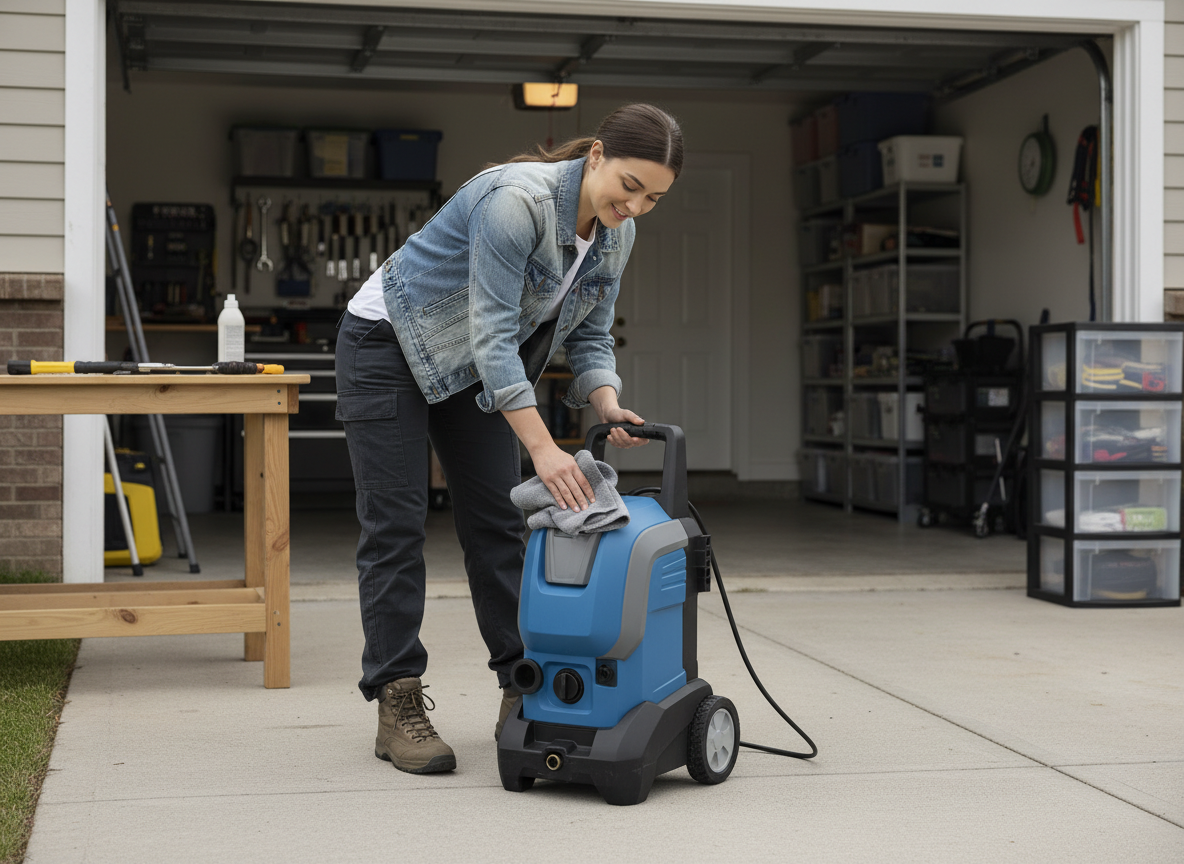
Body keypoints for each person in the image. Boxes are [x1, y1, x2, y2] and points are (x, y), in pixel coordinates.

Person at [335, 103, 683, 775]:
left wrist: (606, 402)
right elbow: (494, 337)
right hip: (387, 344)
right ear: (596, 157)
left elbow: (588, 331)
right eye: (629, 185)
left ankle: (523, 687)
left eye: (655, 198)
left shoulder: (616, 232)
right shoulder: (514, 202)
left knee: (498, 520)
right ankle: (396, 699)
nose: (636, 205)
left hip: (469, 361)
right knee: (396, 524)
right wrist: (544, 448)